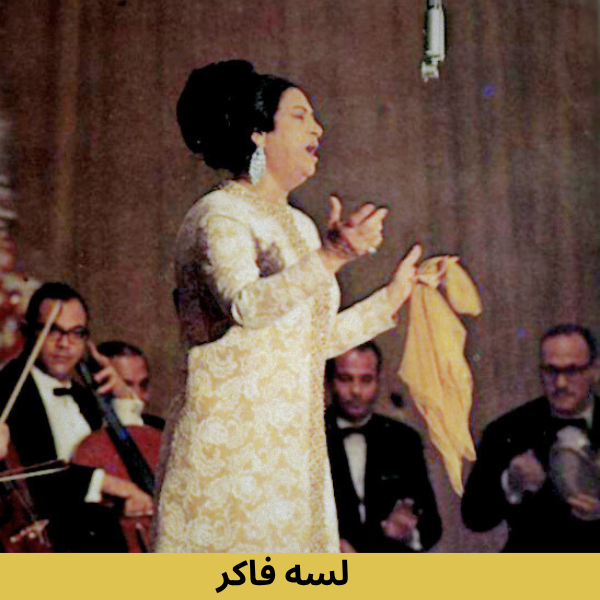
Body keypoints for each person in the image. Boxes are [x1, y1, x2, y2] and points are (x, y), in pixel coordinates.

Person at [154, 60, 422, 552]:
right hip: (230, 451)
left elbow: (310, 340)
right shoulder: (220, 214)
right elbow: (247, 307)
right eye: (300, 116)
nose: (317, 128)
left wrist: (394, 294)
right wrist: (333, 255)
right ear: (258, 133)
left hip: (291, 453)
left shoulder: (299, 224)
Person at [0, 282, 153, 551]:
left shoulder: (86, 397)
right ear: (29, 331)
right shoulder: (8, 389)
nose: (64, 344)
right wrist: (107, 484)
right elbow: (32, 477)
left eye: (76, 333)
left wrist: (122, 398)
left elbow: (132, 459)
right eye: (53, 331)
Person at [461, 324, 600, 552]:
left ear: (594, 370)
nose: (560, 383)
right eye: (551, 371)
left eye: (572, 370)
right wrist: (510, 483)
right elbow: (474, 518)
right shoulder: (506, 429)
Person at [325, 342, 442, 552]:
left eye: (366, 379)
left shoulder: (404, 439)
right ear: (329, 382)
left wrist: (408, 533)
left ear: (378, 380)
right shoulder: (306, 439)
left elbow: (432, 527)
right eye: (345, 379)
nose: (356, 390)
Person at [96, 340, 164, 429]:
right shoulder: (83, 430)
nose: (137, 396)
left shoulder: (160, 430)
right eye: (127, 385)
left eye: (143, 385)